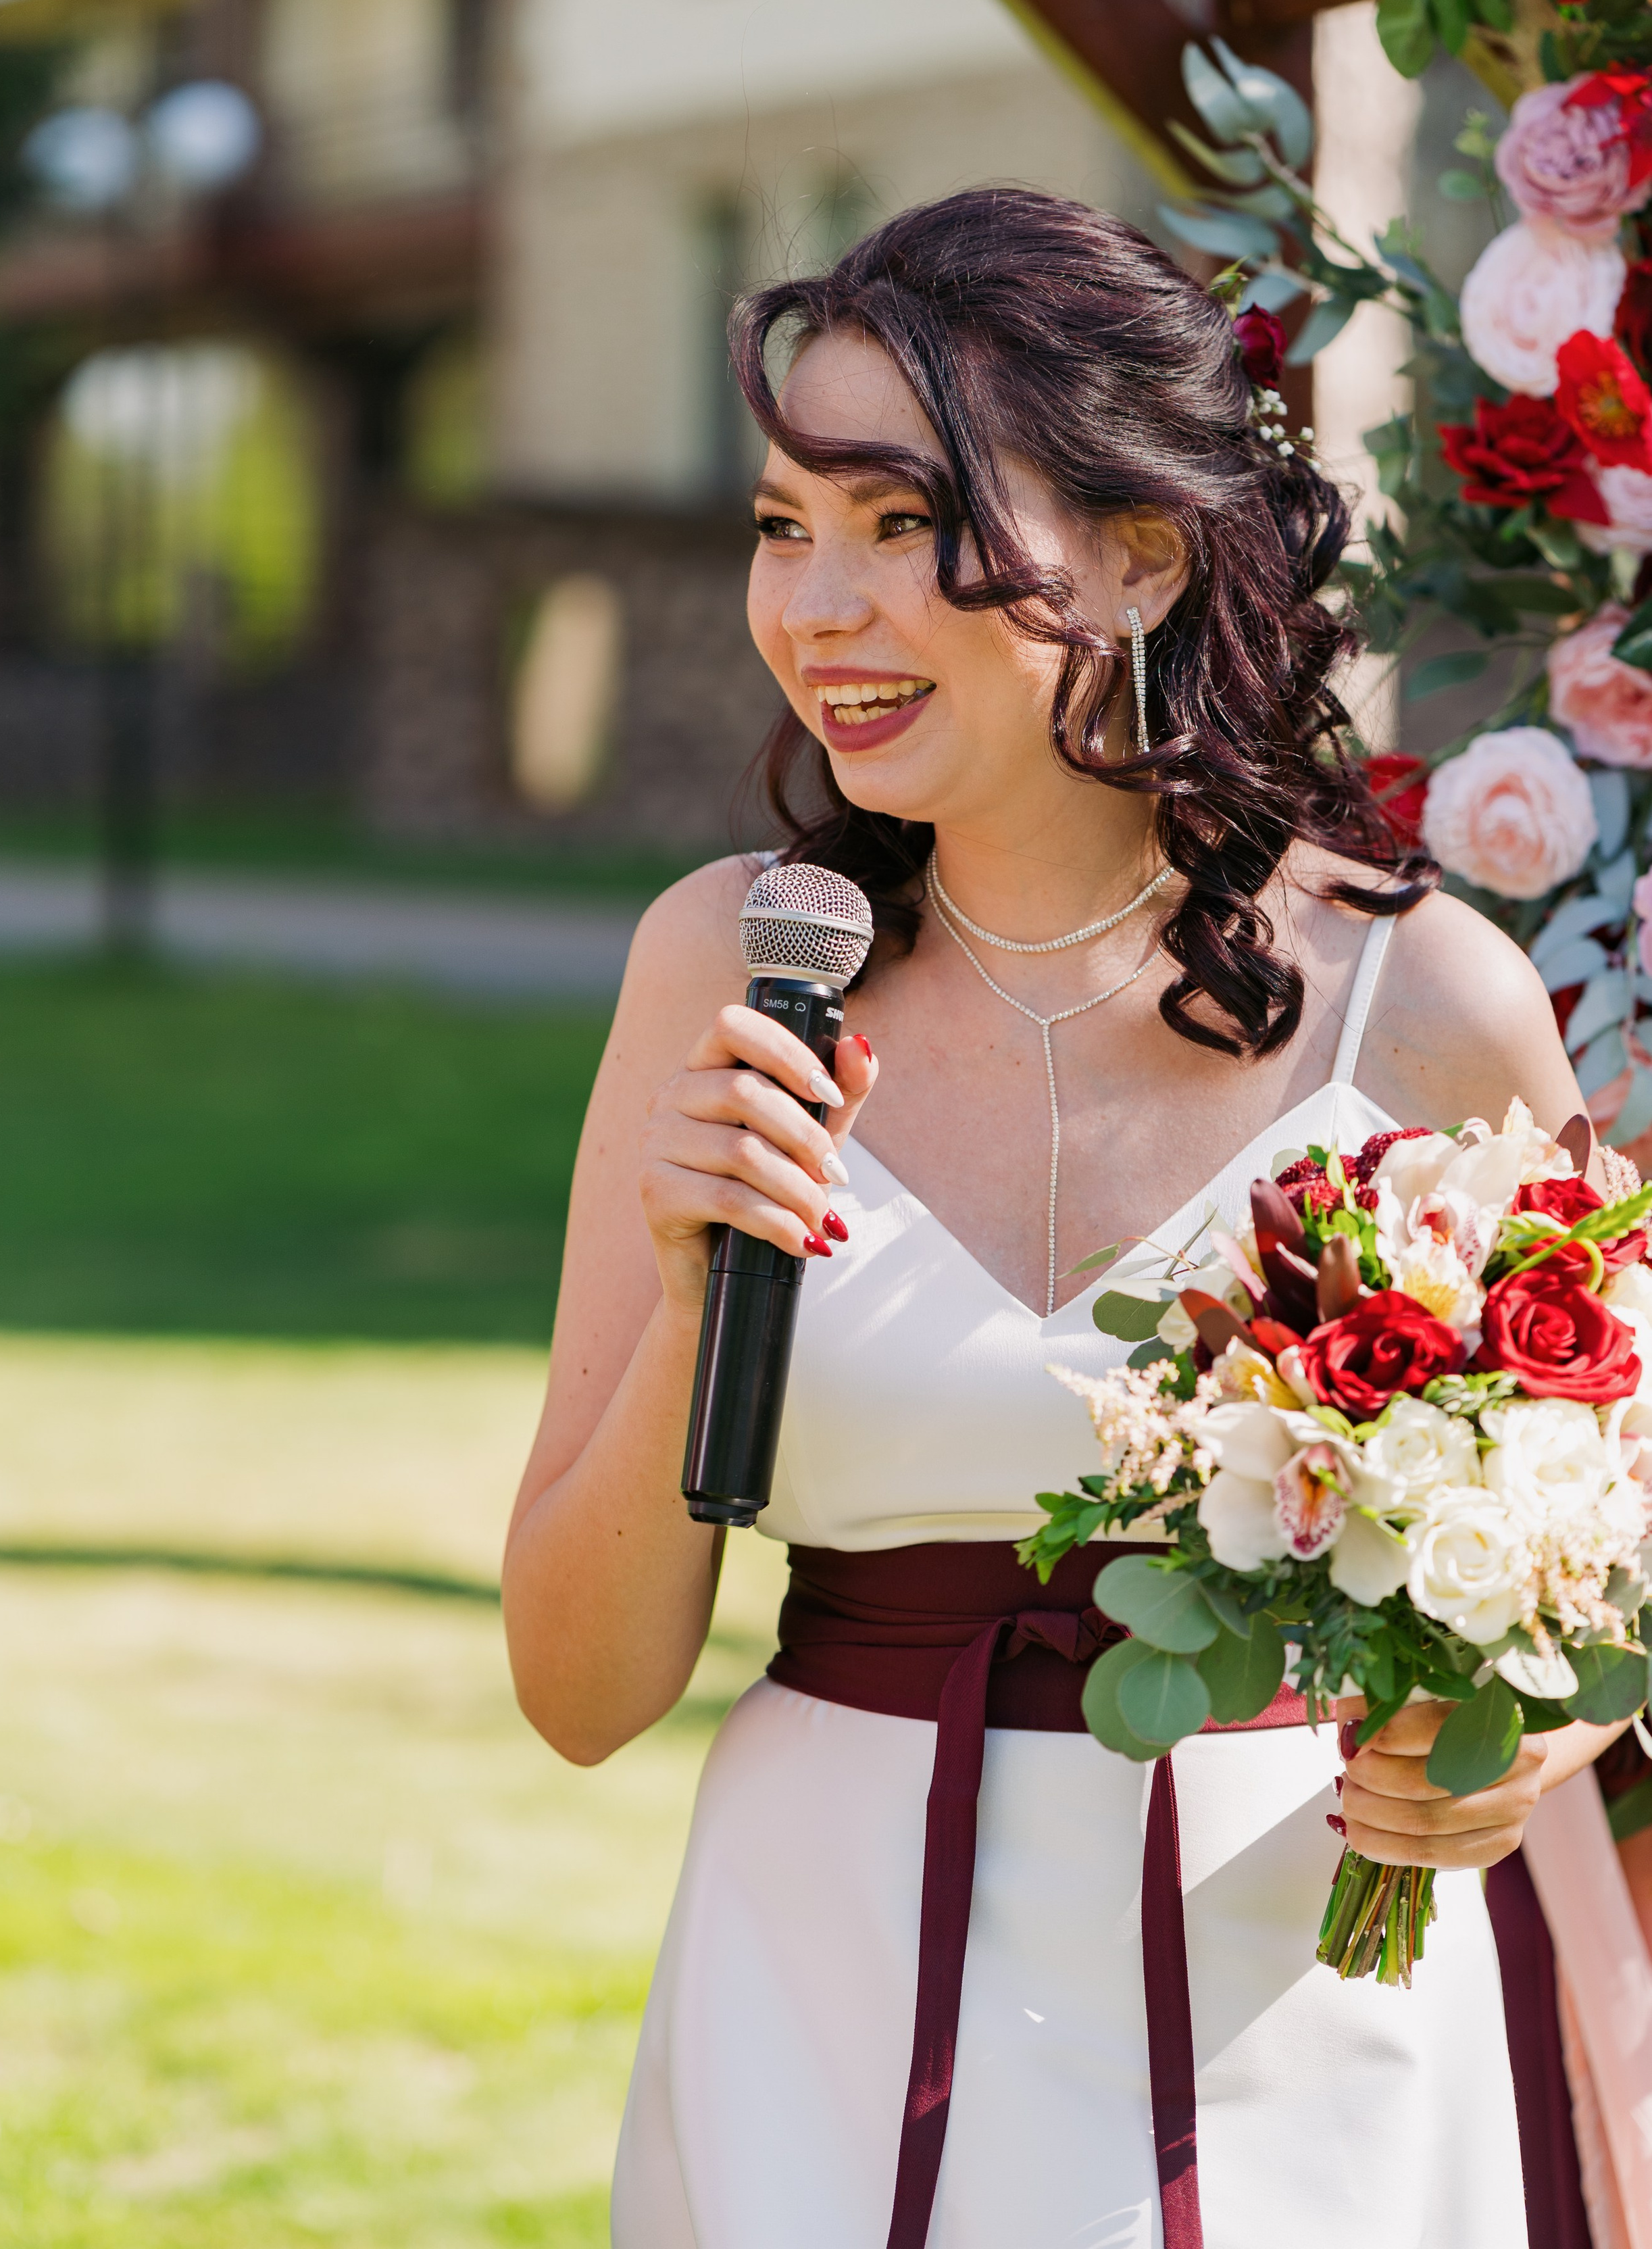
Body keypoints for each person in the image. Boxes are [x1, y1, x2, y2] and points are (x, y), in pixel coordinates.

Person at [503, 191, 1628, 2248]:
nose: (816, 608)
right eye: (782, 525)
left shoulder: (1420, 1000)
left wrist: (1519, 1747)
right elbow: (580, 1697)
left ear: (1139, 555)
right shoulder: (725, 971)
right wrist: (687, 1297)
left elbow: (1616, 1547)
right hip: (823, 2000)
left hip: (1305, 2030)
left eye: (903, 522)